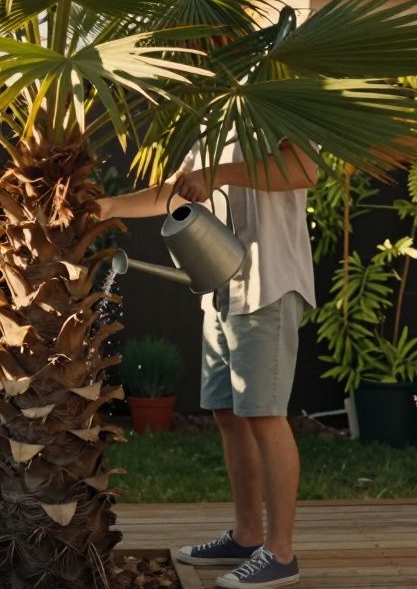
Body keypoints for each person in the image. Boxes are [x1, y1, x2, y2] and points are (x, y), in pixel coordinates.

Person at [95, 135, 318, 589]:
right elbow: (177, 190)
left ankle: (280, 554)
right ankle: (247, 536)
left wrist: (217, 175)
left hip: (268, 284)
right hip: (221, 284)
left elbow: (303, 171)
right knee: (227, 413)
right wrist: (104, 207)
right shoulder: (213, 115)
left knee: (264, 414)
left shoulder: (276, 88)